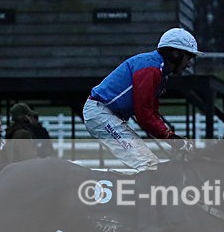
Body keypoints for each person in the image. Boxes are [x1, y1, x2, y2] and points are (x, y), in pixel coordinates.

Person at [82, 28, 201, 171]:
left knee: (149, 164)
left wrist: (172, 138)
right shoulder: (151, 69)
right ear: (175, 54)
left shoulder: (159, 70)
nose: (188, 64)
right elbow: (143, 115)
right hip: (100, 114)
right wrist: (172, 139)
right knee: (148, 165)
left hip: (104, 113)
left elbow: (152, 114)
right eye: (188, 57)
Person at [5, 103, 70, 232]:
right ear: (23, 116)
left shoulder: (13, 133)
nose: (32, 118)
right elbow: (29, 160)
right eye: (29, 115)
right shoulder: (24, 134)